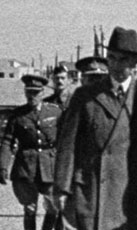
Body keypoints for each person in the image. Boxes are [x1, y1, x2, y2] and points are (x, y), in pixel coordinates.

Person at [54, 26, 137, 230]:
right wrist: (62, 188)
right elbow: (68, 144)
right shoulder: (85, 96)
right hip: (91, 189)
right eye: (112, 58)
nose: (116, 65)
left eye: (123, 60)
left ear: (134, 62)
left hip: (129, 190)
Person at [0, 73, 62, 230]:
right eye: (29, 92)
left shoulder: (55, 112)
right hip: (26, 167)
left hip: (49, 166)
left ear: (43, 93)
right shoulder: (18, 115)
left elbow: (64, 139)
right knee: (29, 208)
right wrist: (2, 167)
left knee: (53, 206)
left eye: (35, 93)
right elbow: (7, 142)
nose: (32, 96)